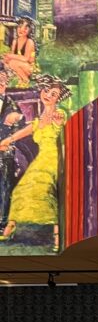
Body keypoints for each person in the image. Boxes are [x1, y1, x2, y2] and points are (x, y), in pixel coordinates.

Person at [0, 74, 70, 248]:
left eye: (53, 94)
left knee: (45, 190)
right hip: (41, 160)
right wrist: (5, 141)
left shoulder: (60, 115)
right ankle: (10, 228)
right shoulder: (38, 121)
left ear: (58, 98)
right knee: (20, 190)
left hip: (55, 160)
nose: (48, 96)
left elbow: (67, 133)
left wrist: (60, 123)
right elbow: (16, 136)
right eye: (46, 91)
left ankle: (56, 235)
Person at [0, 64, 24, 224]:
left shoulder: (11, 103)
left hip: (4, 149)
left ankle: (2, 220)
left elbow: (20, 128)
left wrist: (16, 120)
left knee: (5, 182)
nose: (1, 83)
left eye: (3, 80)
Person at [3, 17, 36, 89]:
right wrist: (6, 59)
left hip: (30, 68)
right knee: (7, 61)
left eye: (25, 28)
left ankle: (25, 80)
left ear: (29, 31)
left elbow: (26, 59)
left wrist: (11, 56)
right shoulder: (15, 41)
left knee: (12, 62)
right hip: (18, 66)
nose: (22, 30)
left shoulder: (29, 42)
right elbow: (11, 55)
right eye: (20, 27)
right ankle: (20, 81)